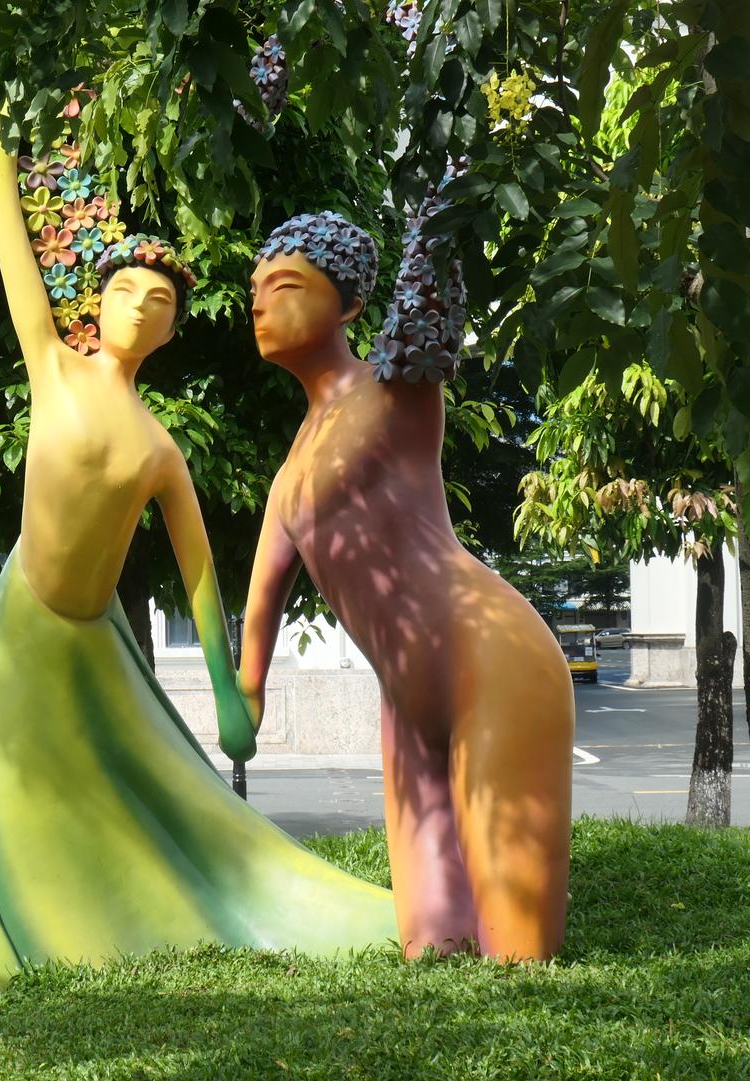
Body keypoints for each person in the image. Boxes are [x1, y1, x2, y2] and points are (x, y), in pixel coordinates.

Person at [0, 125, 397, 990]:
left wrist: (230, 691)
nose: (142, 307)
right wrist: (4, 141)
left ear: (174, 330)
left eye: (160, 301)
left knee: (149, 800)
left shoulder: (159, 450)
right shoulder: (53, 369)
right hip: (23, 621)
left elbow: (199, 574)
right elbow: (10, 240)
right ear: (96, 304)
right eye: (125, 291)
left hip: (89, 640)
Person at [239, 210, 573, 961]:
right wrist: (245, 698)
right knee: (430, 944)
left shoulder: (398, 391)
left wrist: (444, 205)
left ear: (351, 305)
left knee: (518, 951)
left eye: (284, 286)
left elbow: (430, 291)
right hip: (404, 700)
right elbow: (260, 606)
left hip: (493, 660)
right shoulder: (290, 474)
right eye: (254, 290)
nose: (259, 304)